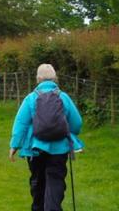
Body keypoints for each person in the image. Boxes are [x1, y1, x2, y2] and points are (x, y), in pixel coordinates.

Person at [9, 64, 84, 211]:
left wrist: (14, 146)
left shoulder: (30, 98)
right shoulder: (63, 97)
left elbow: (21, 124)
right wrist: (71, 133)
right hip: (59, 148)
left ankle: (37, 207)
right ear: (55, 78)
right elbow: (77, 123)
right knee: (56, 180)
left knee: (37, 180)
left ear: (38, 79)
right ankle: (52, 208)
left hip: (35, 149)